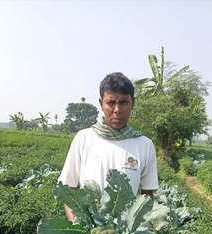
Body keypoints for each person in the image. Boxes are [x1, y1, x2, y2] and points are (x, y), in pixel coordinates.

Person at [58, 72, 159, 222]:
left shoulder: (144, 144)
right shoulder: (84, 138)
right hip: (87, 233)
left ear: (133, 103)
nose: (117, 109)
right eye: (111, 103)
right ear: (101, 103)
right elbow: (68, 190)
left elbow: (147, 197)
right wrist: (79, 229)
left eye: (124, 102)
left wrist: (133, 231)